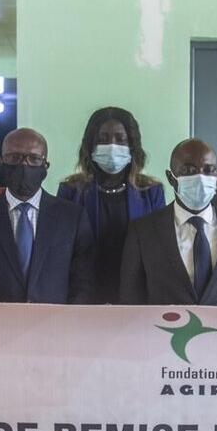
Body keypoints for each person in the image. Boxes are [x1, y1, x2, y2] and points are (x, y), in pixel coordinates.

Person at [0, 128, 94, 303]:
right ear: (1, 163)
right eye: (14, 158)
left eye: (34, 159)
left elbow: (82, 286)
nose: (24, 165)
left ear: (45, 166)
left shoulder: (72, 219)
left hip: (56, 320)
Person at [119, 138, 217, 306]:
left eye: (209, 170)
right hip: (165, 323)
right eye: (189, 170)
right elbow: (131, 303)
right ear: (171, 178)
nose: (201, 178)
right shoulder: (143, 232)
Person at [58, 107, 165, 303]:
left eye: (120, 139)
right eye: (103, 139)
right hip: (84, 297)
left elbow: (157, 253)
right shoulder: (71, 191)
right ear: (90, 146)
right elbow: (64, 253)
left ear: (132, 146)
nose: (112, 146)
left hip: (135, 298)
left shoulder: (151, 192)